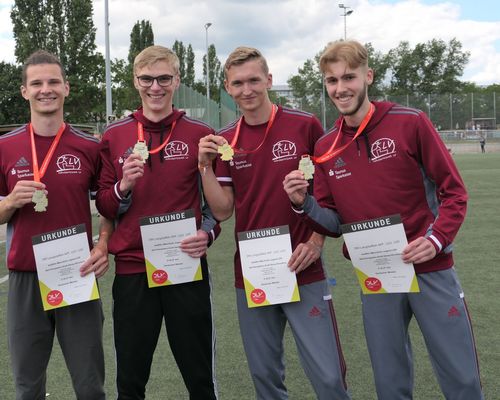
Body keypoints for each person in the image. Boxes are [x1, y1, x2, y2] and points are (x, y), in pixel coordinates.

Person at [283, 39, 484, 400]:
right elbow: (332, 222)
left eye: (349, 77)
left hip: (430, 266)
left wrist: (435, 239)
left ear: (368, 76)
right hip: (376, 274)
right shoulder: (325, 147)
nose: (341, 89)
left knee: (461, 379)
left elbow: (454, 192)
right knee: (389, 383)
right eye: (331, 81)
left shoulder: (410, 122)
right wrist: (303, 203)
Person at [198, 46, 350, 400]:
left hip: (303, 264)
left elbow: (327, 193)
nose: (246, 90)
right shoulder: (226, 140)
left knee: (328, 377)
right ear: (227, 87)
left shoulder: (304, 124)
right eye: (237, 83)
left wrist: (315, 242)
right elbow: (222, 211)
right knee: (265, 376)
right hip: (253, 270)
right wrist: (204, 166)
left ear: (269, 80)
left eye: (253, 80)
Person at [96, 45, 219, 400]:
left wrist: (206, 232)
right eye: (147, 79)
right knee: (130, 381)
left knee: (200, 379)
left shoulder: (200, 132)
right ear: (135, 81)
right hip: (133, 271)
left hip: (185, 266)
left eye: (164, 78)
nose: (156, 87)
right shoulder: (114, 135)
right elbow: (104, 204)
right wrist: (124, 186)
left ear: (177, 81)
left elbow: (215, 207)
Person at [0, 50, 110, 399]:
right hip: (25, 277)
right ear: (24, 91)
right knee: (27, 387)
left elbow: (108, 206)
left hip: (75, 273)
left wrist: (103, 243)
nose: (45, 89)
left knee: (90, 386)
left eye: (52, 82)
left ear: (66, 88)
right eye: (36, 83)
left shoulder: (90, 146)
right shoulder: (4, 146)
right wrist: (9, 202)